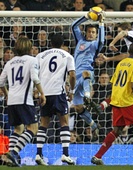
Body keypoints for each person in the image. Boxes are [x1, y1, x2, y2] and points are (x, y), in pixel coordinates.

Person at [0, 36, 46, 167]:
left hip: (12, 101)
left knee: (18, 128)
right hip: (24, 100)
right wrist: (42, 93)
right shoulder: (32, 60)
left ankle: (10, 157)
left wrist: (7, 94)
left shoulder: (10, 63)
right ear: (29, 48)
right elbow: (35, 78)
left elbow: (1, 82)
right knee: (34, 128)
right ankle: (14, 153)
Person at [35, 33, 76, 166]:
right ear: (63, 44)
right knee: (64, 122)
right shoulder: (67, 56)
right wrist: (72, 91)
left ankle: (38, 153)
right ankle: (65, 154)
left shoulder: (40, 56)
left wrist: (36, 91)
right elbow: (73, 75)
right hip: (59, 93)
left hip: (44, 94)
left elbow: (34, 74)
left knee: (43, 124)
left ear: (50, 43)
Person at [71, 11, 105, 139]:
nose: (90, 34)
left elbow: (102, 41)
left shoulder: (95, 45)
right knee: (78, 107)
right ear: (86, 32)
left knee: (86, 73)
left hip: (87, 72)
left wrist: (101, 23)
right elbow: (73, 26)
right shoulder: (80, 40)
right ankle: (93, 124)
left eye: (93, 32)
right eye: (89, 31)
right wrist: (85, 17)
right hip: (75, 76)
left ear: (96, 35)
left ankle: (87, 95)